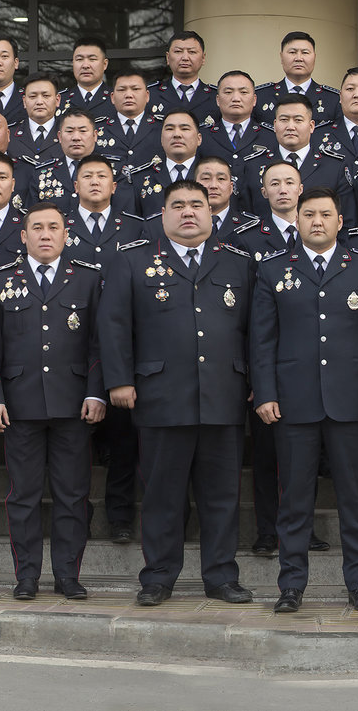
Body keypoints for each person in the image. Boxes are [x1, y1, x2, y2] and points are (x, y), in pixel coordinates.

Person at [99, 180, 257, 607]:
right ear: (162, 214)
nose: (189, 212)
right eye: (178, 205)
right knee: (162, 496)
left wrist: (256, 382)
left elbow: (256, 331)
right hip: (159, 397)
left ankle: (221, 577)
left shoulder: (239, 263)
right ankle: (158, 577)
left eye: (197, 205)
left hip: (224, 395)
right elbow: (114, 325)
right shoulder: (132, 261)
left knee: (222, 497)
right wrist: (119, 380)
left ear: (211, 212)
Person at [252, 187, 358, 613]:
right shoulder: (273, 270)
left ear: (340, 221)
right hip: (294, 402)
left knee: (355, 499)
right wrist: (266, 392)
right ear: (298, 220)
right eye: (308, 215)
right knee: (293, 500)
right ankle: (291, 585)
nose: (317, 222)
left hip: (351, 404)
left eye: (325, 214)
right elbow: (262, 341)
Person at [0, 203, 105, 601]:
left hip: (73, 405)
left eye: (54, 227)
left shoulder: (87, 280)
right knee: (24, 495)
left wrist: (96, 390)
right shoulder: (0, 280)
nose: (45, 234)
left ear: (67, 234)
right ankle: (27, 575)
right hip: (20, 407)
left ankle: (67, 574)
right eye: (37, 227)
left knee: (72, 494)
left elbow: (101, 343)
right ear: (23, 235)